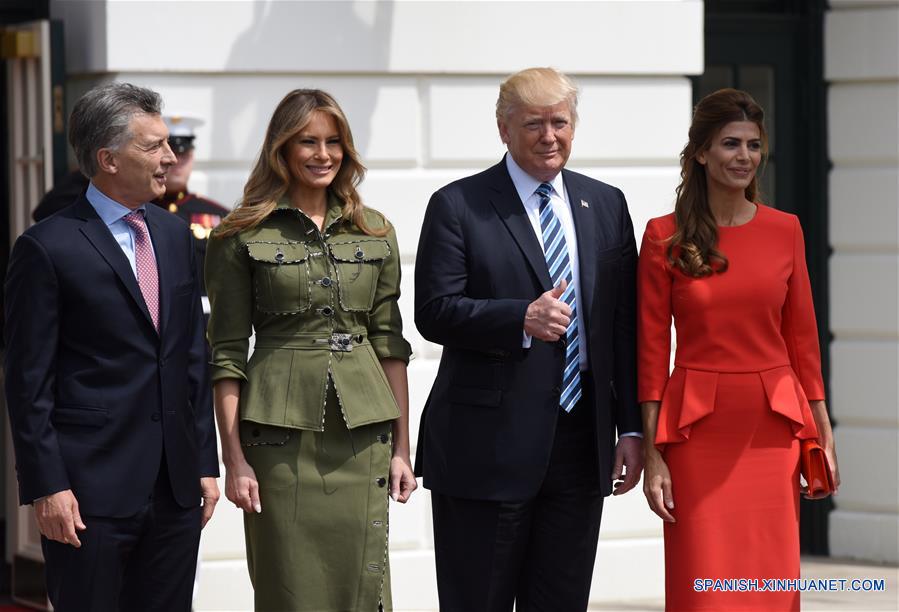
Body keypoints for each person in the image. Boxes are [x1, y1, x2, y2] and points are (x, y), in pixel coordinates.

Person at [414, 67, 643, 611]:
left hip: (581, 443)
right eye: (534, 123)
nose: (549, 136)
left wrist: (631, 427)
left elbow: (623, 326)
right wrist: (519, 317)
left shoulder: (605, 203)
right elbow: (434, 312)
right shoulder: (459, 205)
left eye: (560, 122)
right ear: (503, 128)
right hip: (485, 449)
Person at [3, 82, 220, 611]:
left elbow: (192, 357)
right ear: (108, 159)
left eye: (169, 144)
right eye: (153, 146)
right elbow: (27, 380)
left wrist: (205, 461)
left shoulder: (174, 236)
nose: (170, 157)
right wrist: (46, 484)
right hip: (86, 495)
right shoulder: (46, 246)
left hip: (175, 491)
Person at [205, 89, 416, 612]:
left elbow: (391, 344)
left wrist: (402, 449)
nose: (324, 154)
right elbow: (226, 353)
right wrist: (234, 460)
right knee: (289, 587)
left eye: (334, 142)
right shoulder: (237, 235)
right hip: (277, 442)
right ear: (282, 149)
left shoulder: (376, 230)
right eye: (308, 142)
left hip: (363, 432)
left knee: (362, 589)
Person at [638, 88, 840, 611]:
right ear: (701, 152)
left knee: (768, 582)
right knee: (702, 584)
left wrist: (820, 427)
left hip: (773, 428)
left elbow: (803, 340)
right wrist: (654, 454)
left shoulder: (785, 230)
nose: (744, 156)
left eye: (753, 144)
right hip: (695, 434)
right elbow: (651, 350)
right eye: (730, 143)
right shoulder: (664, 237)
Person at [154, 115, 229, 315]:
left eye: (184, 153)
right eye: (172, 152)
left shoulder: (219, 215)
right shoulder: (137, 211)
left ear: (193, 157)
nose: (177, 162)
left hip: (203, 325)